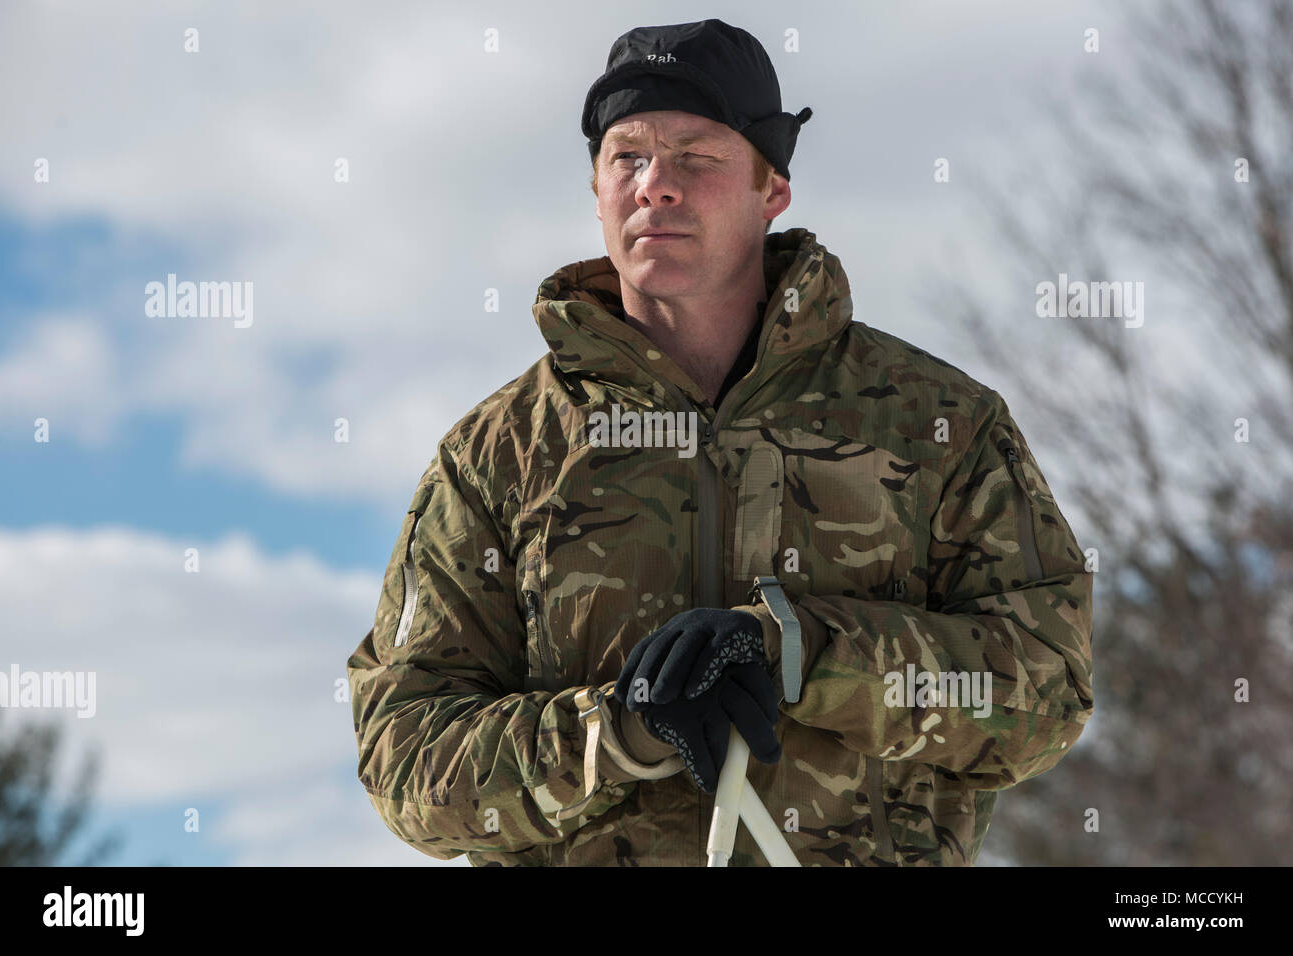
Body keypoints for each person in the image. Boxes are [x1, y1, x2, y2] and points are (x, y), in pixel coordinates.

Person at [346, 18, 1094, 866]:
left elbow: (1048, 693)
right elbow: (406, 763)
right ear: (596, 187)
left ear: (772, 189)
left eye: (696, 157)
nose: (655, 186)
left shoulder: (937, 423)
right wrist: (622, 730)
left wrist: (802, 655)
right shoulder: (497, 456)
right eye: (628, 156)